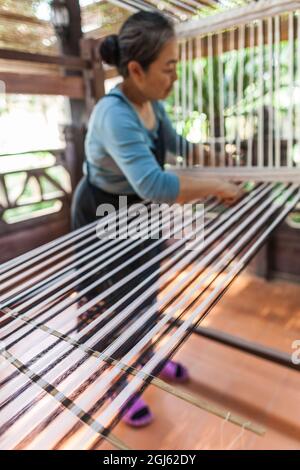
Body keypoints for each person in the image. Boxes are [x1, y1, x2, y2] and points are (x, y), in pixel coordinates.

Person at [71, 11, 242, 427]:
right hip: (104, 217)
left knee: (144, 289)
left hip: (139, 213)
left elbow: (176, 144)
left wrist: (214, 158)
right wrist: (217, 186)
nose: (175, 77)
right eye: (169, 68)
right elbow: (153, 184)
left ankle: (144, 356)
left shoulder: (150, 102)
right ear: (135, 69)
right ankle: (117, 382)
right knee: (111, 302)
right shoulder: (114, 115)